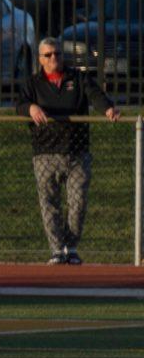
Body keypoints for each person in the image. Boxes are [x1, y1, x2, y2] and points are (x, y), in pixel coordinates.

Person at [14, 37, 120, 265]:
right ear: (40, 59)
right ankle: (56, 250)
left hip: (77, 151)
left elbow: (95, 95)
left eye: (58, 54)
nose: (54, 58)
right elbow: (20, 104)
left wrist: (108, 108)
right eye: (49, 55)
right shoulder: (33, 84)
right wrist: (31, 107)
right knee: (49, 203)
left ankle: (70, 247)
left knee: (78, 201)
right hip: (45, 152)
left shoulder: (77, 78)